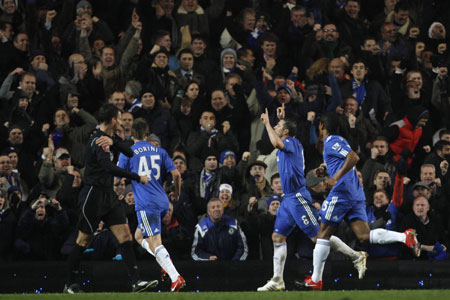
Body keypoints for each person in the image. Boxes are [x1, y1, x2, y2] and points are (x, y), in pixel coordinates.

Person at [295, 112, 420, 290]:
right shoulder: (337, 141)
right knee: (364, 234)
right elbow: (345, 161)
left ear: (322, 125)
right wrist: (328, 172)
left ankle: (316, 280)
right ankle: (404, 237)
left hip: (342, 193)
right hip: (354, 192)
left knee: (322, 234)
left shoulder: (331, 141)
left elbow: (353, 157)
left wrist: (335, 178)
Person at [257, 106, 368, 292]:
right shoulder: (289, 140)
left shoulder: (291, 141)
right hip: (288, 198)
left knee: (318, 237)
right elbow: (280, 136)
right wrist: (282, 119)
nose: (274, 127)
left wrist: (267, 123)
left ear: (285, 132)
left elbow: (277, 142)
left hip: (298, 197)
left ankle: (355, 256)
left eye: (279, 126)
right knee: (277, 236)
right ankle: (277, 280)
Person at [63, 104, 157, 294]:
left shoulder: (109, 139)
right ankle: (69, 284)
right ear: (114, 120)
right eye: (120, 117)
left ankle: (136, 282)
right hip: (93, 194)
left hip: (108, 195)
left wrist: (114, 142)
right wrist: (137, 177)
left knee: (125, 236)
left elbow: (129, 151)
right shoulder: (98, 140)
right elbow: (108, 168)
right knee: (84, 240)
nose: (122, 121)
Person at [117, 118, 185, 292]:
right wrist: (176, 193)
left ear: (131, 134)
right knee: (139, 235)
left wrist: (117, 192)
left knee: (154, 241)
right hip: (162, 201)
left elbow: (117, 178)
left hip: (146, 204)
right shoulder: (160, 151)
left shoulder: (127, 152)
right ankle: (163, 260)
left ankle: (175, 276)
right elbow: (176, 175)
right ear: (147, 134)